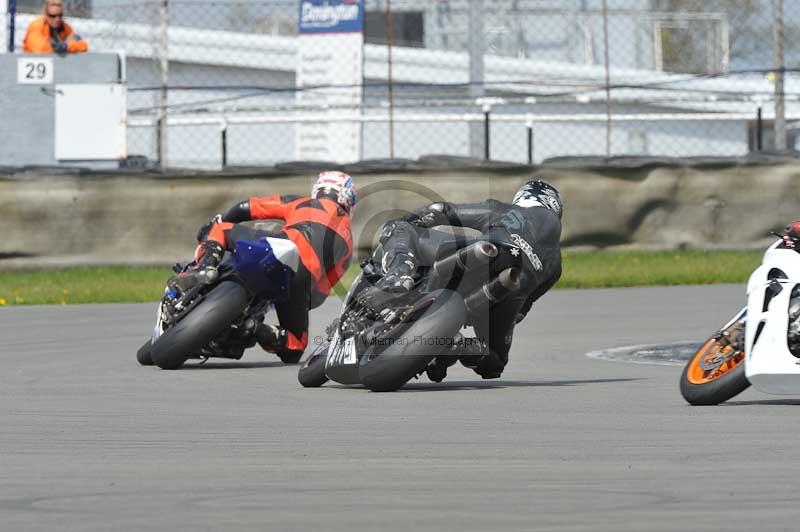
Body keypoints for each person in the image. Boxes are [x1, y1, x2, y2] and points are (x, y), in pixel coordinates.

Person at [362, 179, 563, 382]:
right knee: (493, 363)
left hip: (488, 253)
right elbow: (520, 312)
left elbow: (440, 209)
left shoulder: (507, 211)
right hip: (506, 295)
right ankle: (459, 348)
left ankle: (399, 276)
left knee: (399, 228)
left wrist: (410, 220)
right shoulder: (555, 267)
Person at [170, 171, 356, 364]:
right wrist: (298, 299)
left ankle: (205, 267)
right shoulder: (348, 244)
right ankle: (256, 329)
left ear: (317, 189)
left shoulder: (303, 203)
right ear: (349, 199)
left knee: (221, 229)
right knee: (297, 346)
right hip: (302, 279)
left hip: (280, 245)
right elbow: (320, 292)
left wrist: (225, 218)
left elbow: (249, 207)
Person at [23, 0, 88, 54]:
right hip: (34, 63)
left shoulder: (66, 27)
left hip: (58, 64)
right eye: (53, 16)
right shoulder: (36, 25)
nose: (57, 19)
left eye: (60, 15)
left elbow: (83, 46)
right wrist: (62, 47)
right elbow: (41, 48)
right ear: (46, 15)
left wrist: (65, 46)